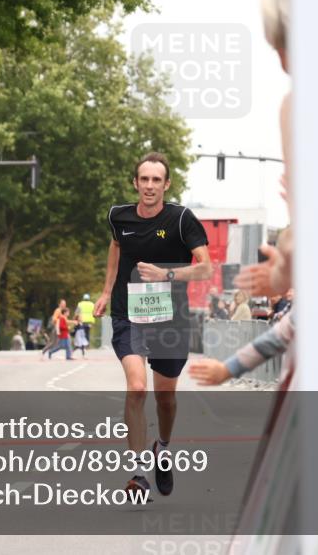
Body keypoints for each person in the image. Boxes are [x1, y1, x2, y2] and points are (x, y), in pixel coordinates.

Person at [94, 152, 212, 500]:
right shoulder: (119, 216)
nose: (149, 186)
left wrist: (167, 274)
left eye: (156, 180)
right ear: (135, 183)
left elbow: (205, 268)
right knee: (136, 386)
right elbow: (116, 246)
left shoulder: (181, 220)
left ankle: (163, 447)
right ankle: (137, 472)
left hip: (170, 319)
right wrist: (105, 290)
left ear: (166, 184)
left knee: (165, 398)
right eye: (143, 179)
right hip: (128, 312)